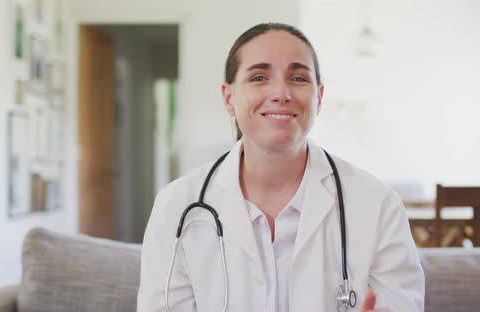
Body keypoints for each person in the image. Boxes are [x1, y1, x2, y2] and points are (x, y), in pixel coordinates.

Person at [137, 22, 424, 312]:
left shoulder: (378, 205)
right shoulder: (176, 205)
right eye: (259, 77)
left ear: (319, 97)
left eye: (298, 78)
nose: (281, 92)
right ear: (229, 98)